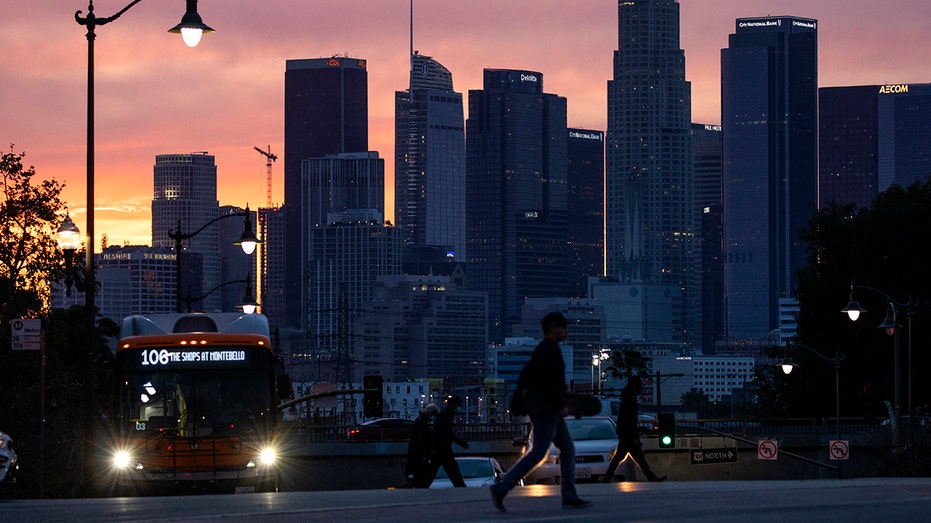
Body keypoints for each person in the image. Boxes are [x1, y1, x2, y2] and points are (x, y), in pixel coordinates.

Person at [490, 312, 591, 512]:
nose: (566, 331)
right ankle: (502, 487)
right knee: (538, 453)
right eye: (563, 328)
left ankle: (569, 495)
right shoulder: (549, 352)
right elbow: (548, 384)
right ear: (554, 328)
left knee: (567, 450)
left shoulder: (542, 350)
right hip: (547, 410)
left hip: (545, 408)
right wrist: (559, 405)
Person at [601, 376, 666, 483]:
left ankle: (651, 477)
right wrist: (635, 436)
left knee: (634, 458)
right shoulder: (630, 400)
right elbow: (631, 419)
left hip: (625, 433)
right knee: (633, 458)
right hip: (628, 434)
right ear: (634, 386)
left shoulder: (626, 398)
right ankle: (651, 478)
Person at [425, 395, 469, 487]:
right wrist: (462, 443)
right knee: (452, 469)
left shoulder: (444, 414)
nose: (457, 408)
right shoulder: (446, 415)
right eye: (457, 405)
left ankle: (422, 486)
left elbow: (443, 432)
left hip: (440, 448)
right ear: (454, 405)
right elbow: (447, 433)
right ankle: (460, 486)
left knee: (433, 470)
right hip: (443, 448)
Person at [405, 403, 439, 488]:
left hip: (416, 453)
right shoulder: (422, 422)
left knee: (418, 474)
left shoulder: (420, 420)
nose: (431, 416)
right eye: (432, 414)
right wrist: (423, 454)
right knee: (420, 474)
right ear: (429, 411)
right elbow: (421, 439)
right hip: (419, 454)